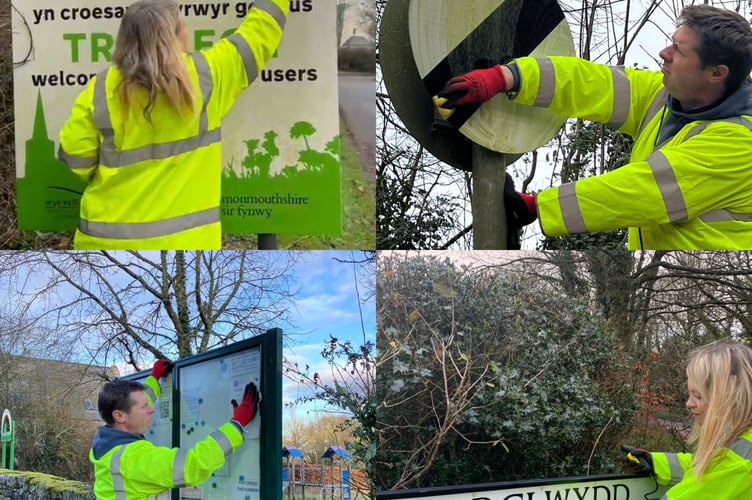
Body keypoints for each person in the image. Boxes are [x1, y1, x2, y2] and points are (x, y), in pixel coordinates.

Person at [438, 5, 752, 250]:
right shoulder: (664, 94)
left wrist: (538, 206)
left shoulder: (739, 143)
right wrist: (508, 77)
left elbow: (642, 191)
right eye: (672, 43)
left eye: (680, 51)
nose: (664, 53)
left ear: (715, 73)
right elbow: (590, 83)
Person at [58, 0, 289, 250]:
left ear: (124, 39)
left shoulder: (100, 90)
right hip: (188, 248)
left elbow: (76, 160)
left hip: (105, 247)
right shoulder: (207, 76)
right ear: (177, 35)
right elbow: (261, 31)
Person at [90, 359, 260, 499]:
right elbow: (193, 464)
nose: (152, 409)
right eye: (144, 407)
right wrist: (236, 425)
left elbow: (137, 401)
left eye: (148, 403)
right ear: (119, 416)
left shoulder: (106, 441)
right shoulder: (135, 458)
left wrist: (154, 378)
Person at [621, 342, 752, 499]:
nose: (688, 403)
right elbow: (703, 465)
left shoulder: (738, 464)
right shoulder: (741, 447)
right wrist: (655, 462)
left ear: (730, 397)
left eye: (698, 396)